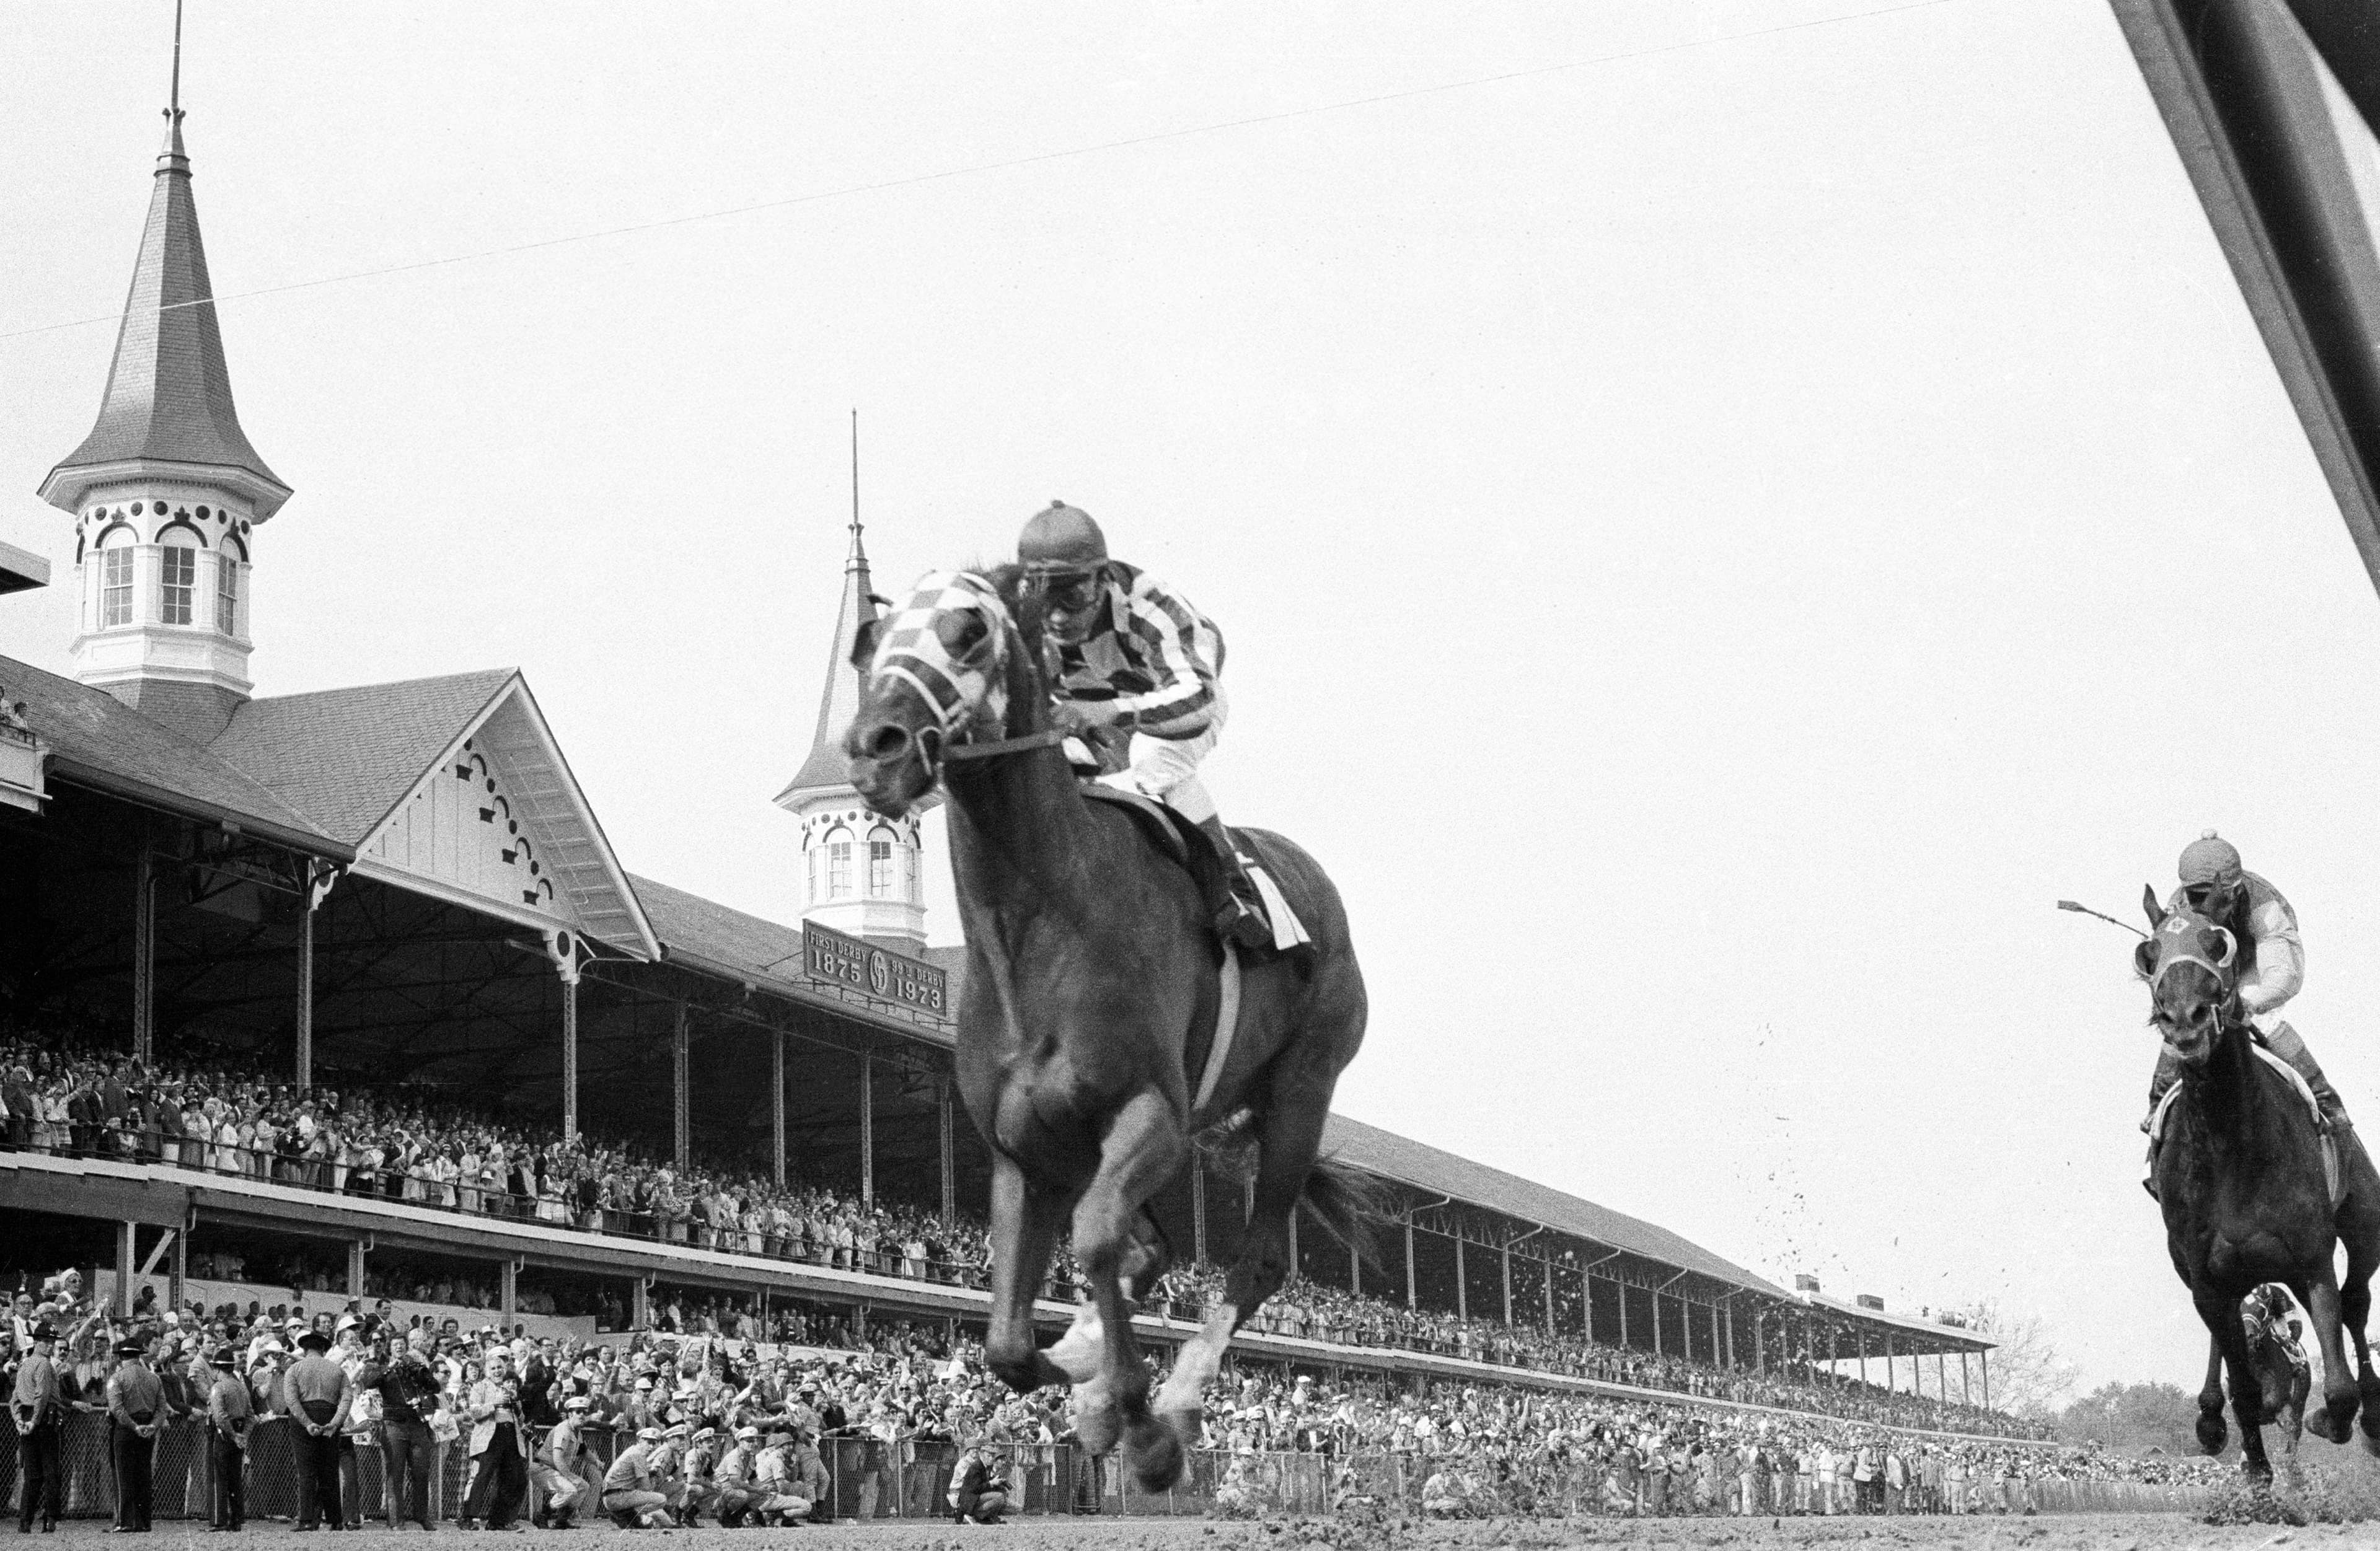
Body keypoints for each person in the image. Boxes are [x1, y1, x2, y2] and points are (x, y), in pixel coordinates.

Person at [1016, 500, 1297, 954]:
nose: (1058, 616)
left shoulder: (1153, 608)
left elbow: (1199, 699)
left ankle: (1231, 883)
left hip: (1178, 706)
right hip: (1096, 710)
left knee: (1153, 761)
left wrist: (1112, 712)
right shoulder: (1026, 619)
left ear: (1103, 578)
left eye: (1072, 596)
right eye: (1045, 598)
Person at [2144, 833, 2348, 1136]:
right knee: (2182, 1023)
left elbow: (2285, 975)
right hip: (2210, 976)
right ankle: (2158, 1104)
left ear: (2237, 890)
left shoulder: (2264, 908)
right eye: (2196, 898)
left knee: (2262, 1020)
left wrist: (2246, 1003)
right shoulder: (2177, 907)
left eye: (2217, 898)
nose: (2205, 907)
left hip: (2253, 970)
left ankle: (2326, 1101)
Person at [363, 1328, 441, 1532]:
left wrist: (421, 1370)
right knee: (395, 1472)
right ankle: (396, 1520)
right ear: (389, 1349)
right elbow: (369, 1382)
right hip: (394, 1424)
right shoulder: (379, 1366)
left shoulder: (413, 1366)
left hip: (416, 1423)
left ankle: (422, 1516)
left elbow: (435, 1387)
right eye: (395, 1345)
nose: (399, 1348)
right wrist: (389, 1367)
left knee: (421, 1471)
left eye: (403, 1345)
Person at [281, 1326, 351, 1531]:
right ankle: (335, 1520)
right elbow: (347, 1398)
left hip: (305, 1417)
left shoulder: (294, 1369)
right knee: (329, 1471)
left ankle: (307, 1519)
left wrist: (307, 1423)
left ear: (304, 1350)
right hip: (329, 1414)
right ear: (323, 1350)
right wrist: (335, 1422)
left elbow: (292, 1401)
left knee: (307, 1471)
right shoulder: (337, 1370)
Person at [462, 1348, 530, 1530]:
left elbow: (522, 1419)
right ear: (487, 1372)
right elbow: (474, 1413)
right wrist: (494, 1404)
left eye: (500, 1367)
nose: (498, 1371)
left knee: (516, 1478)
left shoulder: (509, 1388)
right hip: (490, 1437)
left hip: (511, 1437)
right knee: (483, 1476)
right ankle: (469, 1518)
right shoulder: (480, 1387)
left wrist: (515, 1403)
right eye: (493, 1369)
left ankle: (498, 1521)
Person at [105, 1338, 163, 1532]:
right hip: (148, 1426)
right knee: (144, 1474)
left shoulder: (117, 1378)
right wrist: (152, 1426)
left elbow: (116, 1409)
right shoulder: (154, 1378)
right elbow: (162, 1408)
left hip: (126, 1428)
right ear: (139, 1355)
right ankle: (144, 1521)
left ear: (121, 1356)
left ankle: (125, 1520)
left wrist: (133, 1426)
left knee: (123, 1474)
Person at [12, 1320, 62, 1533]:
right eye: (45, 1341)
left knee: (31, 1474)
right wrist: (34, 1420)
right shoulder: (44, 1364)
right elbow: (41, 1394)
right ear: (37, 1343)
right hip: (43, 1419)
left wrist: (19, 1421)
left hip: (26, 1416)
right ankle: (50, 1519)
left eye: (51, 1341)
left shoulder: (25, 1364)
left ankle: (25, 1521)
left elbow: (16, 1397)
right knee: (51, 1471)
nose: (50, 1346)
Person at [204, 1349, 250, 1532]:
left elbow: (220, 1416)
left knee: (218, 1477)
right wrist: (243, 1435)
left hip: (223, 1434)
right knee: (235, 1478)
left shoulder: (218, 1387)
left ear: (217, 1369)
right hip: (238, 1431)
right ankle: (237, 1519)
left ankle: (219, 1520)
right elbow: (251, 1416)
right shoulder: (240, 1387)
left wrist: (232, 1434)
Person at [531, 1395, 595, 1529]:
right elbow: (557, 1458)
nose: (582, 1415)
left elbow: (583, 1451)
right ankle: (542, 1516)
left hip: (554, 1469)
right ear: (570, 1414)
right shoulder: (564, 1429)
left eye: (585, 1412)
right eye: (578, 1412)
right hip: (543, 1467)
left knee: (583, 1486)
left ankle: (562, 1520)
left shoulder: (577, 1432)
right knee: (570, 1490)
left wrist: (597, 1462)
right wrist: (571, 1477)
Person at [600, 1426, 676, 1527]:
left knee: (654, 1509)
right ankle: (624, 1516)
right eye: (648, 1442)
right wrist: (654, 1477)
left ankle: (630, 1519)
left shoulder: (633, 1450)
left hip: (614, 1497)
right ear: (640, 1440)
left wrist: (649, 1474)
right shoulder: (639, 1455)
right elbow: (646, 1487)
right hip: (618, 1497)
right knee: (661, 1499)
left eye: (654, 1443)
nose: (651, 1447)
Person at [946, 1438, 1010, 1525]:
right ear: (968, 1451)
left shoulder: (981, 1464)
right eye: (973, 1448)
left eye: (977, 1448)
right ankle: (974, 1514)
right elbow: (972, 1484)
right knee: (998, 1497)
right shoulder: (968, 1464)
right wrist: (991, 1483)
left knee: (1002, 1494)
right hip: (959, 1492)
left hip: (970, 1493)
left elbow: (979, 1483)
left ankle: (987, 1517)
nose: (975, 1450)